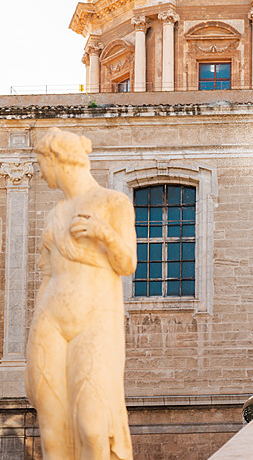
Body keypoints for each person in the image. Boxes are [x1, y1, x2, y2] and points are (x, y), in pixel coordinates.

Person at [25, 128, 136, 460]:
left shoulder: (113, 202)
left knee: (92, 424)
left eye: (42, 162)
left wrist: (104, 233)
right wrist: (32, 337)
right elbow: (46, 276)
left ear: (57, 159)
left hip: (95, 320)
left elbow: (128, 262)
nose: (41, 171)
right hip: (50, 322)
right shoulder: (54, 213)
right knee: (52, 430)